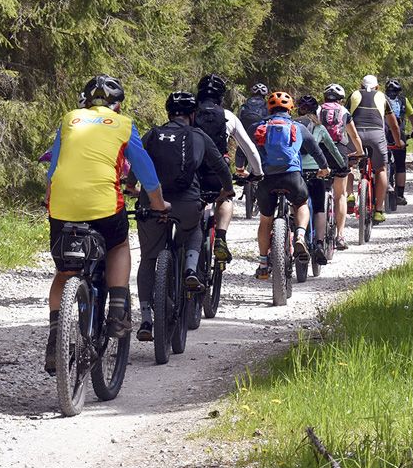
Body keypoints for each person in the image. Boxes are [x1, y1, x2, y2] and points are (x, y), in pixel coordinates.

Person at [43, 74, 170, 375]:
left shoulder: (69, 119)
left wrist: (50, 201)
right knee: (118, 243)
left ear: (85, 102)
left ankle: (53, 337)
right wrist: (158, 204)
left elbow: (53, 169)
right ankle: (116, 309)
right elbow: (145, 171)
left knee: (65, 270)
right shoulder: (124, 125)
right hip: (103, 205)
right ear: (118, 104)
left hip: (62, 206)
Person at [132, 91, 234, 342]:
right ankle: (190, 269)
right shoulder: (199, 136)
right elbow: (221, 166)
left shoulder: (152, 134)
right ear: (193, 115)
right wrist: (227, 190)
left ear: (168, 114)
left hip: (153, 204)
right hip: (187, 204)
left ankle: (146, 317)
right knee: (195, 230)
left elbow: (138, 162)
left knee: (147, 258)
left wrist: (131, 187)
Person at [252, 92, 330, 279]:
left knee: (265, 220)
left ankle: (263, 264)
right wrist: (324, 168)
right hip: (293, 177)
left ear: (269, 109)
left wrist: (241, 169)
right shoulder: (297, 126)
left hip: (267, 178)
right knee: (301, 204)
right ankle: (300, 236)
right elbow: (316, 150)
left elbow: (244, 149)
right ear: (291, 108)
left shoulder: (258, 126)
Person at [193, 74, 263, 263]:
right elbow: (249, 148)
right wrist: (257, 172)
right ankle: (221, 238)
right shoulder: (227, 116)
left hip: (192, 172)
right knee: (225, 197)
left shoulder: (190, 113)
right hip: (217, 173)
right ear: (221, 96)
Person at [295, 95, 347, 262]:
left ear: (298, 110)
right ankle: (318, 244)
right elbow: (332, 149)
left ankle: (295, 234)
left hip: (295, 171)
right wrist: (342, 166)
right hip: (316, 172)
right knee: (318, 208)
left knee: (297, 205)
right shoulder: (319, 128)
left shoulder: (292, 125)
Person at [348, 75, 403, 224]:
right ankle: (378, 210)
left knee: (349, 164)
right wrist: (398, 142)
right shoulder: (382, 97)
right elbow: (394, 125)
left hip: (356, 135)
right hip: (377, 135)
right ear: (377, 87)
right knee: (381, 170)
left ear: (361, 85)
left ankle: (349, 196)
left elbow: (345, 118)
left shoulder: (354, 95)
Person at [318, 83, 364, 249]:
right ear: (342, 100)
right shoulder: (344, 112)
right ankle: (340, 236)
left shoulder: (317, 110)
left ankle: (316, 233)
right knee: (341, 195)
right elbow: (354, 135)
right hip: (339, 151)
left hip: (320, 152)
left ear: (324, 98)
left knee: (317, 192)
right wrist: (359, 152)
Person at [384, 79, 413, 205]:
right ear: (399, 91)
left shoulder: (381, 99)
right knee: (400, 165)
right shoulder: (403, 100)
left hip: (383, 134)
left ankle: (381, 188)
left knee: (383, 162)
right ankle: (400, 196)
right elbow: (412, 118)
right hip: (399, 135)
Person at [235, 83, 269, 171]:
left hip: (246, 130)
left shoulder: (246, 104)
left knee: (243, 148)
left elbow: (239, 116)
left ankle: (240, 170)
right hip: (261, 132)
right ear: (264, 95)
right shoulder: (266, 105)